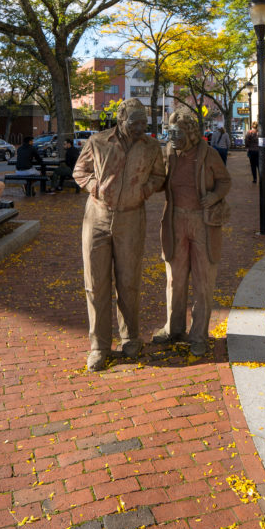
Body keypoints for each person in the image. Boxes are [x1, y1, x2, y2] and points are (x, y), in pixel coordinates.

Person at [73, 99, 166, 372]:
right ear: (120, 118)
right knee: (95, 283)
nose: (140, 127)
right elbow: (80, 171)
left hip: (132, 217)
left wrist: (144, 190)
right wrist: (95, 187)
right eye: (134, 121)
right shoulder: (98, 141)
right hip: (97, 218)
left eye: (143, 122)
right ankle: (99, 346)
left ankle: (130, 338)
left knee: (129, 281)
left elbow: (159, 176)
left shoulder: (150, 147)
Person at [153, 108, 231, 357]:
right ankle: (173, 328)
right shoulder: (168, 153)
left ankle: (198, 334)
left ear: (190, 133)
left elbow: (225, 181)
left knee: (202, 280)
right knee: (174, 279)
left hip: (202, 223)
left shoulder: (208, 154)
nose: (172, 137)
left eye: (176, 133)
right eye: (170, 132)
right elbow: (158, 180)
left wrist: (215, 196)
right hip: (175, 221)